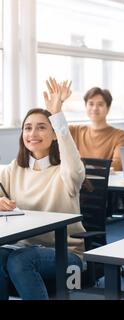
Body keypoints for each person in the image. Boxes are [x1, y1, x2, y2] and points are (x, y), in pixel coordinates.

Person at [0, 78, 86, 300]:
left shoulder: (66, 172)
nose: (33, 133)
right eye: (27, 128)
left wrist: (57, 115)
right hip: (19, 247)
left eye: (41, 127)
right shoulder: (13, 169)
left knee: (20, 261)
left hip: (66, 253)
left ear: (54, 134)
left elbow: (74, 163)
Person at [68, 86, 124, 172]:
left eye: (100, 104)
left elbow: (117, 166)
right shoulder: (75, 130)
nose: (95, 108)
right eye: (91, 104)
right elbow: (54, 131)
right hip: (78, 182)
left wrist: (83, 168)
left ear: (108, 108)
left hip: (105, 183)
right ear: (86, 106)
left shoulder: (120, 136)